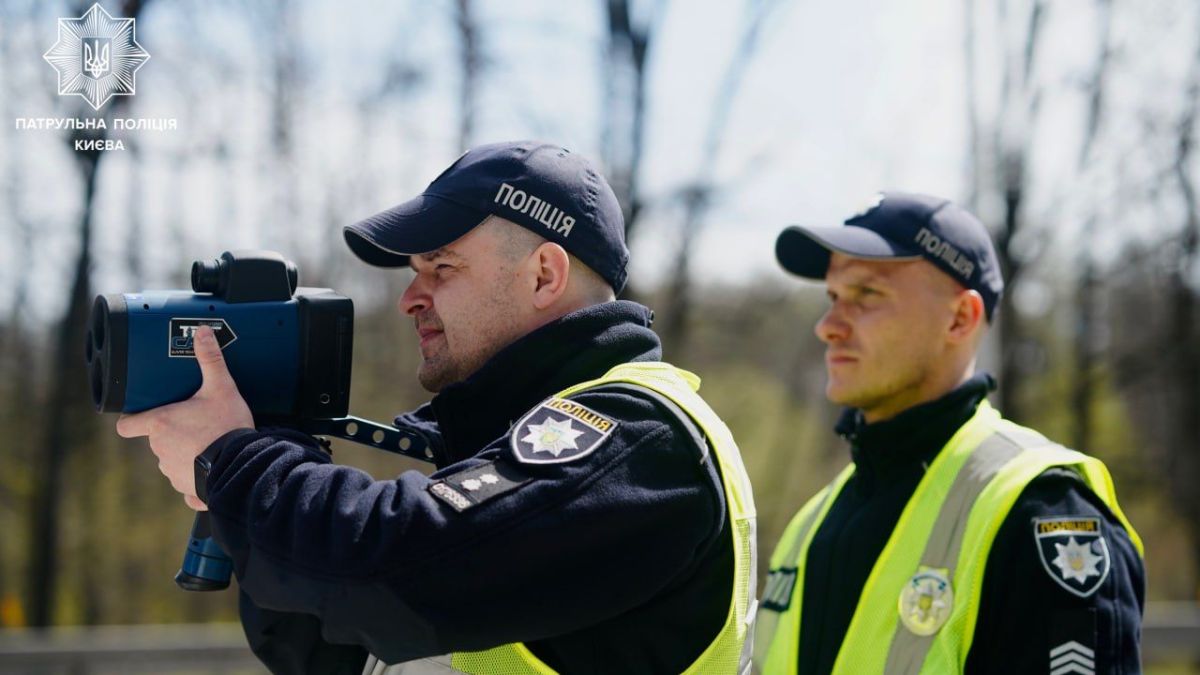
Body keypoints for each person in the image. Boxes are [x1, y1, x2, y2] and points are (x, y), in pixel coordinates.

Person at [115, 141, 757, 675]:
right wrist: (268, 458)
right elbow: (326, 645)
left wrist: (237, 462)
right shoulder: (481, 440)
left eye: (441, 268)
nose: (410, 298)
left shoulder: (638, 439)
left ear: (543, 275)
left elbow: (394, 570)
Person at [753, 192, 1145, 674]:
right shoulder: (811, 522)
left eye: (867, 295)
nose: (828, 326)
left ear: (960, 319)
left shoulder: (1044, 511)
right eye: (833, 297)